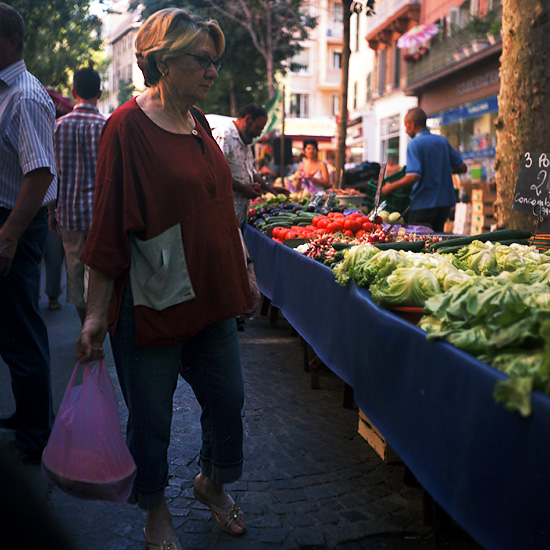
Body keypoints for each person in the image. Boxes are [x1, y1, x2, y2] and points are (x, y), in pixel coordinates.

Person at [75, 8, 260, 548]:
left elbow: (219, 207)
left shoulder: (200, 123)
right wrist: (92, 313)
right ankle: (155, 511)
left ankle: (211, 481)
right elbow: (107, 227)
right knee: (150, 422)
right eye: (202, 60)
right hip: (150, 303)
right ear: (160, 60)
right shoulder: (126, 128)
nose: (212, 71)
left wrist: (244, 269)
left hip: (212, 296)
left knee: (228, 400)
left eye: (215, 61)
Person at [0, 3, 57, 464]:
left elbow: (39, 174)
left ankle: (37, 433)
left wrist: (9, 234)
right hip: (10, 220)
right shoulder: (8, 91)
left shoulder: (25, 93)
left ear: (12, 42)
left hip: (14, 221)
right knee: (12, 327)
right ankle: (27, 415)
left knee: (21, 329)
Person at [52, 66, 106, 324]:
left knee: (74, 271)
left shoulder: (58, 127)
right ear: (100, 92)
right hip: (100, 216)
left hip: (69, 213)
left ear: (73, 93)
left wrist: (52, 211)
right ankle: (96, 331)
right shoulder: (107, 127)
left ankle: (84, 326)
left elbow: (52, 175)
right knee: (98, 272)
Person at [381, 107, 467, 232]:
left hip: (424, 203)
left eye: (406, 126)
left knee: (418, 243)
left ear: (412, 125)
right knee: (436, 242)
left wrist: (390, 187)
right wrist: (440, 168)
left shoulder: (415, 144)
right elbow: (462, 167)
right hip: (444, 204)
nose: (405, 130)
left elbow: (413, 176)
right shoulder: (442, 141)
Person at [212, 104, 289, 227]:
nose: (259, 134)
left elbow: (251, 171)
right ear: (248, 120)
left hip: (239, 215)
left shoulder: (245, 142)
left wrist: (268, 187)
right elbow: (214, 173)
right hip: (222, 214)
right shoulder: (224, 136)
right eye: (258, 129)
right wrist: (243, 188)